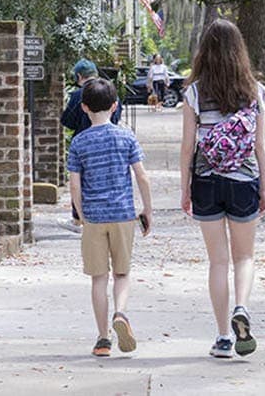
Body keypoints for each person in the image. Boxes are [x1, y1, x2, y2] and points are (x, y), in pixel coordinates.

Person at [179, 18, 265, 359]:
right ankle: (241, 307)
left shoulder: (195, 92)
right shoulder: (255, 92)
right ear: (239, 51)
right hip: (244, 180)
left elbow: (188, 147)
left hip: (206, 180)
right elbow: (260, 146)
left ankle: (222, 338)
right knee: (244, 257)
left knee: (218, 261)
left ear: (206, 51)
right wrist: (264, 187)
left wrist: (185, 188)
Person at [67, 76, 153, 358]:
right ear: (115, 106)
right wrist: (147, 210)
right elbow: (141, 175)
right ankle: (121, 313)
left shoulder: (79, 142)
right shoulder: (126, 136)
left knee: (98, 278)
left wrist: (80, 214)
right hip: (122, 215)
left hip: (94, 217)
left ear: (84, 108)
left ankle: (103, 339)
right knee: (122, 273)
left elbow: (74, 183)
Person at [61, 59, 120, 232]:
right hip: (109, 140)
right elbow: (116, 117)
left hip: (82, 142)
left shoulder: (78, 95)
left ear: (79, 76)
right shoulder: (110, 91)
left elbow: (67, 120)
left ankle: (79, 218)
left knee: (79, 179)